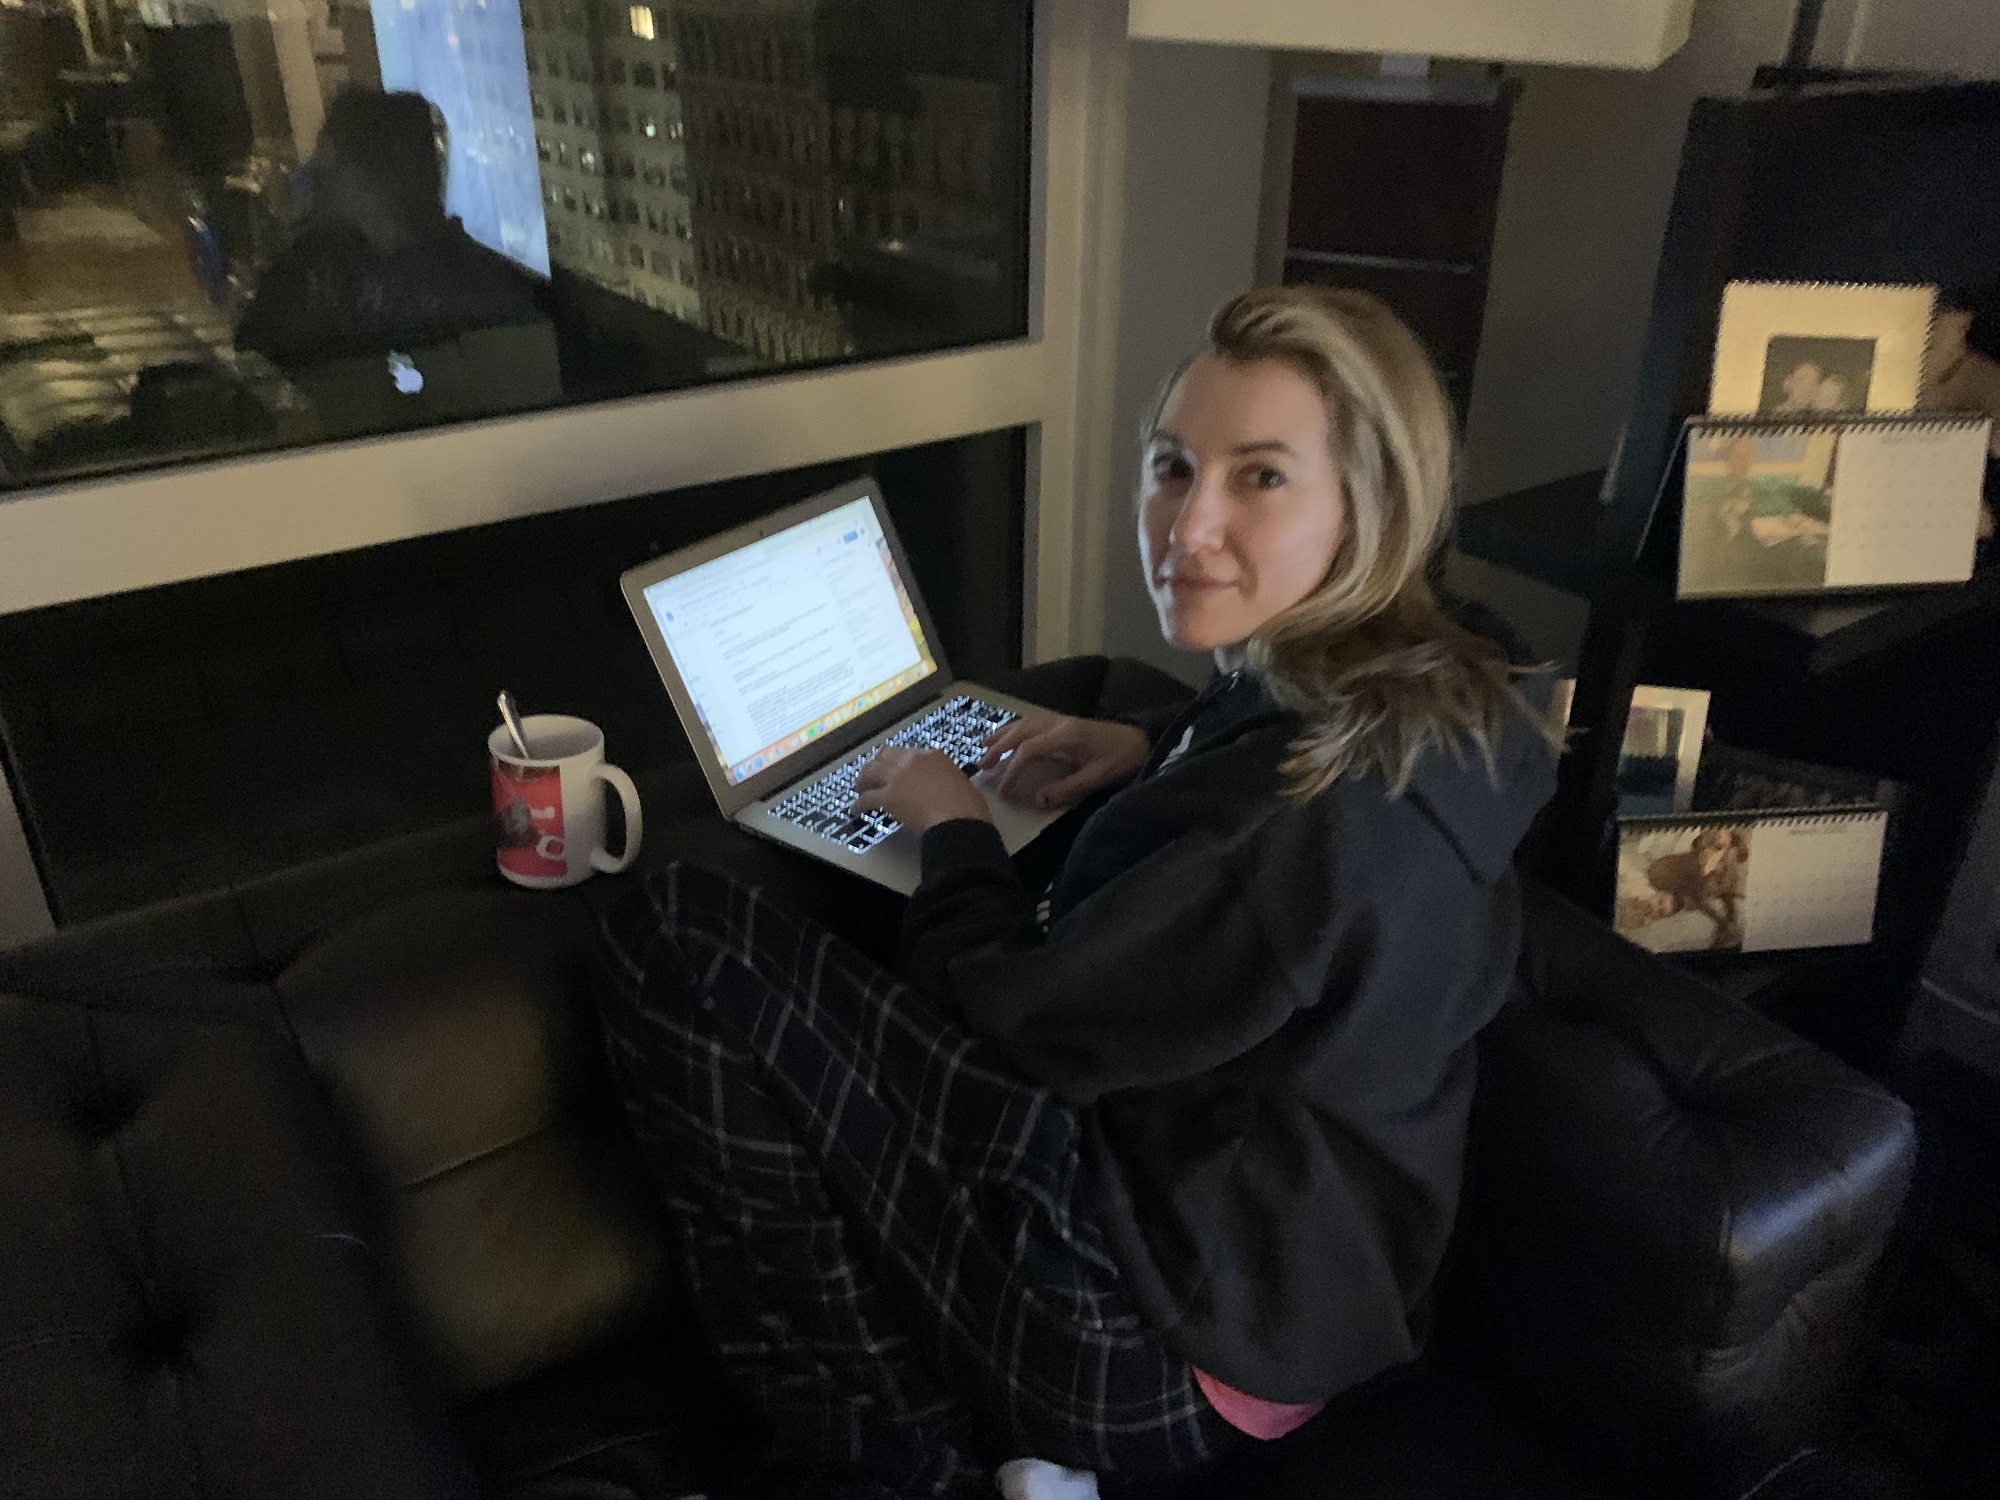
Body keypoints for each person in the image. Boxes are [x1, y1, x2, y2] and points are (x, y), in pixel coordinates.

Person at [591, 286, 1561, 1499]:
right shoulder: (1439, 695)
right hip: (1311, 1279)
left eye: (1260, 477)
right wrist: (1158, 749)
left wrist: (952, 828)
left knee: (678, 932)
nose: (1187, 526)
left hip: (1160, 1344)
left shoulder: (1276, 834)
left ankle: (891, 1455)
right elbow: (1269, 817)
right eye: (1171, 467)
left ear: (1370, 509)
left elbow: (1005, 1021)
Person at [234, 89, 545, 367]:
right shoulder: (486, 280)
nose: (312, 171)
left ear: (371, 179)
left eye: (328, 156)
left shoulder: (313, 284)